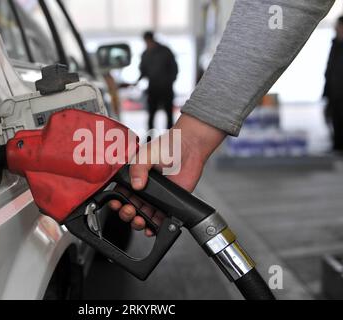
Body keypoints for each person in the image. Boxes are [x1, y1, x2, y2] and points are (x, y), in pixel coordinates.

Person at [110, 0, 336, 236]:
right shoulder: (149, 54)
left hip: (164, 88)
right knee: (153, 119)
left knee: (163, 114)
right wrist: (191, 140)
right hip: (156, 92)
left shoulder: (163, 52)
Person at [139, 31, 178, 130]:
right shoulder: (145, 53)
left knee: (168, 113)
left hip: (166, 87)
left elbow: (174, 68)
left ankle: (169, 133)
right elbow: (143, 70)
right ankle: (150, 134)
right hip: (153, 88)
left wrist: (170, 81)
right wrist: (137, 81)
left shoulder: (165, 51)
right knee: (151, 113)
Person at [324, 16, 343, 152]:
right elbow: (329, 71)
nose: (336, 29)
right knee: (335, 122)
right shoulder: (335, 45)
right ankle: (337, 147)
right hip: (334, 94)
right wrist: (326, 94)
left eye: (339, 26)